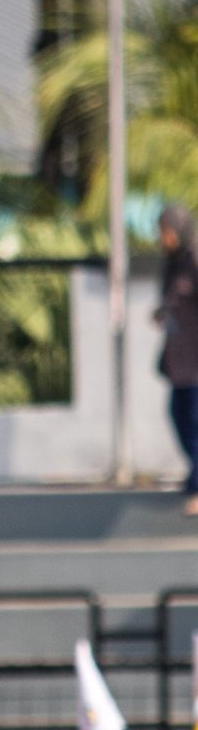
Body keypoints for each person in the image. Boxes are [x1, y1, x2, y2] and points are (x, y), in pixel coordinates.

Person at [155, 203, 198, 513]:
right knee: (178, 415)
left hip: (196, 362)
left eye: (166, 230)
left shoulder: (194, 260)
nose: (163, 237)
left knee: (195, 423)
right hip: (179, 362)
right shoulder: (173, 263)